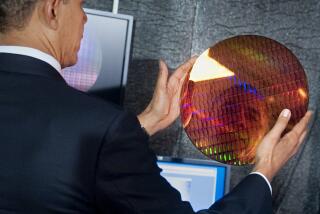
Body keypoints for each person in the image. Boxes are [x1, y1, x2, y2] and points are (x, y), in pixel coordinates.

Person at [0, 0, 312, 213]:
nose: (84, 18)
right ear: (53, 8)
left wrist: (145, 123)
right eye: (80, 4)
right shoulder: (100, 127)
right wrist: (264, 171)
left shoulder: (98, 130)